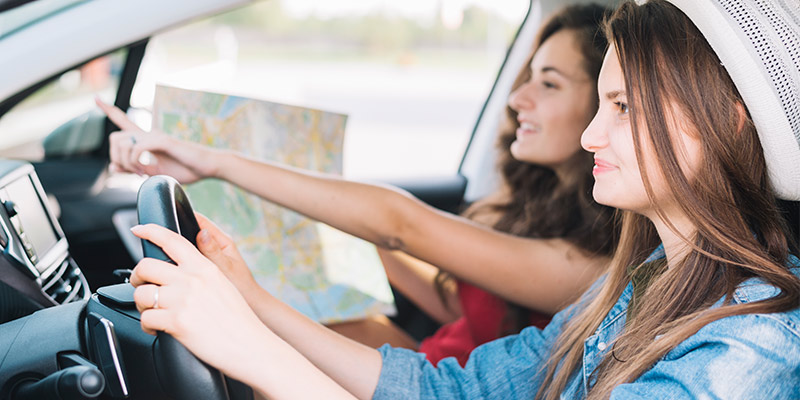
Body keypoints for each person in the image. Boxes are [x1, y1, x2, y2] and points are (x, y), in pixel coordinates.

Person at [125, 0, 800, 398]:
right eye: (600, 103)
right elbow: (453, 390)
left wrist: (250, 346)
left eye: (623, 107)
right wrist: (251, 301)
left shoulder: (751, 344)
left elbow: (400, 226)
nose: (591, 135)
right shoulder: (638, 286)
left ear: (727, 119)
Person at [99, 5, 618, 364]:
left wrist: (216, 161)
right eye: (528, 77)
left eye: (549, 83)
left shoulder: (591, 267)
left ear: (605, 97)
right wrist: (347, 231)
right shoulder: (536, 206)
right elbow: (463, 308)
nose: (518, 99)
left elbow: (400, 224)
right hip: (432, 363)